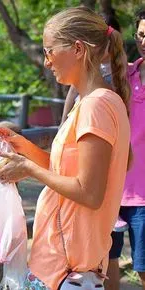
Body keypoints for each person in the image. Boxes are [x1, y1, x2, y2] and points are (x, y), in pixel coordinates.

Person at [0, 7, 131, 289]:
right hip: (61, 265)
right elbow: (70, 174)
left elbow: (90, 193)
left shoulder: (96, 106)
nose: (46, 62)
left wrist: (29, 169)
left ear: (78, 49)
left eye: (49, 51)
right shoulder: (95, 101)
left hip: (67, 269)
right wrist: (24, 149)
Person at [106, 9, 145, 290]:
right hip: (112, 192)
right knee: (107, 264)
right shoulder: (123, 77)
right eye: (142, 35)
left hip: (144, 198)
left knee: (143, 269)